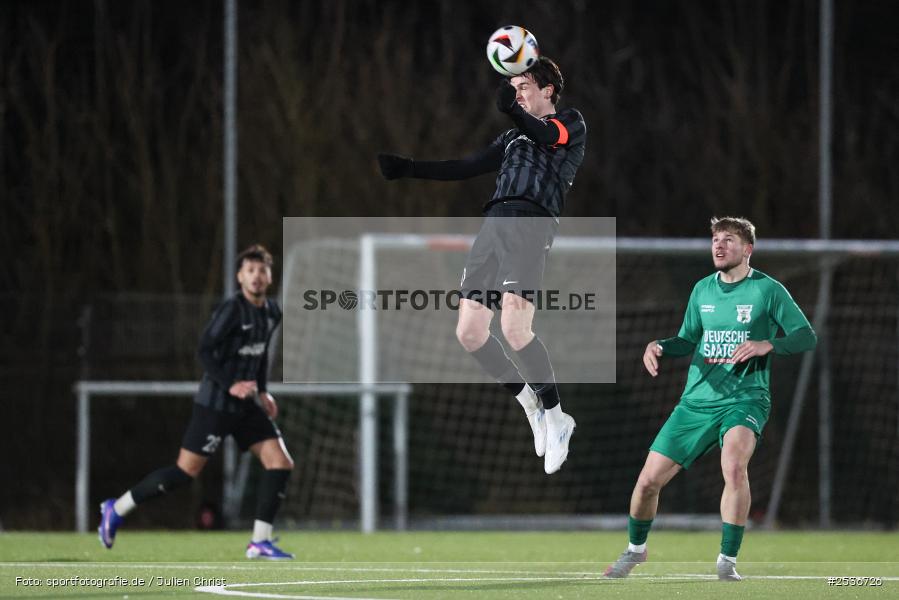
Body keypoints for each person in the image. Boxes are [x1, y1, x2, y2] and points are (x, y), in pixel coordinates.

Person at [377, 56, 587, 474]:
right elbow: (465, 166)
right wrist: (409, 169)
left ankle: (557, 415)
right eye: (511, 87)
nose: (516, 92)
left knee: (514, 329)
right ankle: (528, 400)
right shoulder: (511, 138)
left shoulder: (569, 123)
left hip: (530, 222)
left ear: (547, 90)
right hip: (493, 225)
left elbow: (545, 132)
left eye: (523, 85)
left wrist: (512, 108)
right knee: (470, 333)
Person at [604, 217, 817, 581]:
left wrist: (770, 344)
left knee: (733, 467)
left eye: (729, 240)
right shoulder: (702, 289)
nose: (719, 246)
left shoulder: (768, 291)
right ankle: (635, 551)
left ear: (748, 249)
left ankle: (726, 561)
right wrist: (659, 346)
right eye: (716, 240)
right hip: (696, 402)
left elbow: (805, 336)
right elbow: (687, 340)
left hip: (746, 399)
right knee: (647, 482)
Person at [98, 244, 295, 560]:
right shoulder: (232, 310)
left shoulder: (272, 313)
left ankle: (260, 541)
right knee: (184, 473)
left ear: (270, 276)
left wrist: (262, 391)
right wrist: (230, 384)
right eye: (250, 270)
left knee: (280, 462)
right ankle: (117, 508)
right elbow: (204, 351)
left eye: (262, 270)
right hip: (215, 405)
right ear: (239, 277)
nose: (256, 276)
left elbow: (259, 355)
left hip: (245, 407)